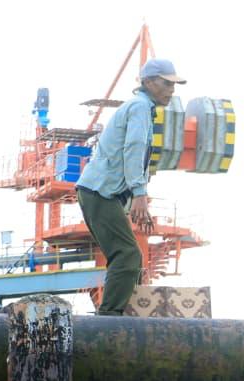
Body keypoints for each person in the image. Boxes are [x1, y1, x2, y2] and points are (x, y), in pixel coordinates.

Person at [75, 58, 186, 315]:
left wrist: (134, 203)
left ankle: (124, 313)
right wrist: (139, 194)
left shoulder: (142, 108)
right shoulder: (139, 107)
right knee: (127, 255)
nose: (172, 90)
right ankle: (110, 320)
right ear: (148, 82)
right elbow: (134, 150)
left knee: (128, 257)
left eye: (174, 85)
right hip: (99, 192)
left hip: (102, 193)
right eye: (166, 84)